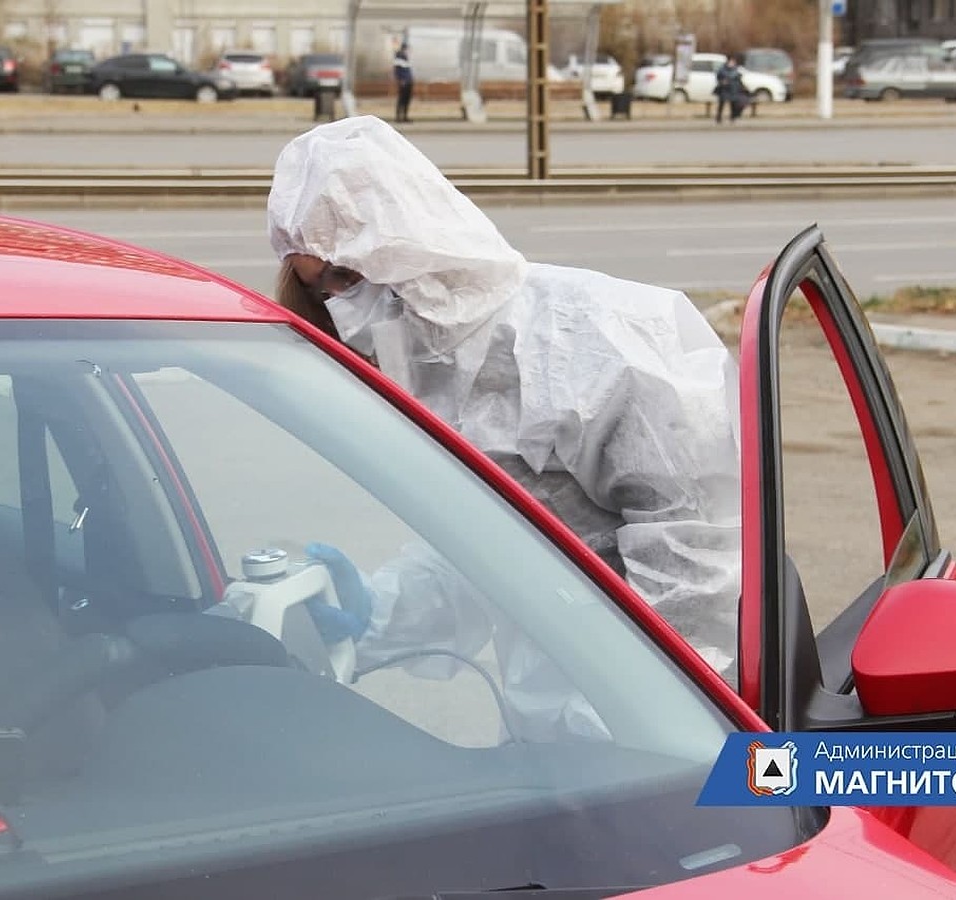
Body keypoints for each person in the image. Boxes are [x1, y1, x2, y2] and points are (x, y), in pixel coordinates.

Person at [266, 116, 740, 736]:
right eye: (319, 287)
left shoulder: (605, 341)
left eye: (345, 275)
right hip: (549, 743)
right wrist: (376, 613)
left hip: (679, 745)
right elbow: (492, 551)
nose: (341, 308)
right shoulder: (425, 373)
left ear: (410, 244)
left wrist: (635, 732)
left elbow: (702, 572)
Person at [713, 55, 744, 123]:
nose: (732, 63)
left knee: (733, 104)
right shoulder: (722, 69)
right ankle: (719, 117)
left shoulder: (736, 70)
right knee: (722, 104)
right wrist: (722, 82)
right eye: (731, 61)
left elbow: (739, 79)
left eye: (733, 62)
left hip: (733, 89)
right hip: (724, 89)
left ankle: (732, 117)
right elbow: (718, 77)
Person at [393, 40, 414, 123]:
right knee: (401, 99)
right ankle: (398, 117)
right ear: (404, 48)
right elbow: (397, 70)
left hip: (408, 81)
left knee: (406, 99)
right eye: (408, 48)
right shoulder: (399, 56)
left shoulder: (406, 57)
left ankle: (405, 116)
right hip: (404, 82)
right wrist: (401, 80)